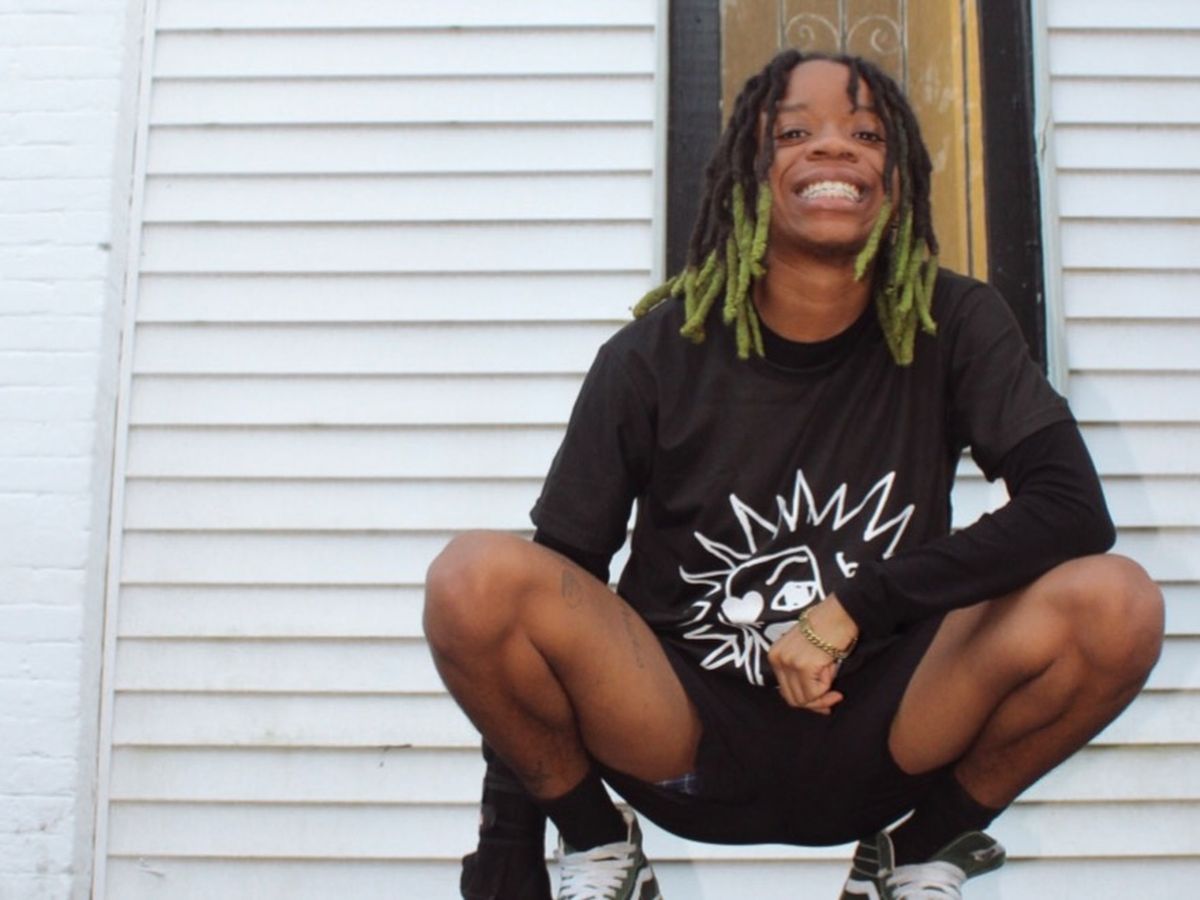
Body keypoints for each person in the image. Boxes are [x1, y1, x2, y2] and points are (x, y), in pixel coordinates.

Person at [424, 50, 1164, 900]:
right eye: (793, 133)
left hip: (887, 728)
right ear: (747, 174)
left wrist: (854, 608)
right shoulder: (652, 356)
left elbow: (1071, 508)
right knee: (475, 579)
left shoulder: (953, 321)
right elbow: (560, 579)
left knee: (1117, 603)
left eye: (866, 134)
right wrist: (509, 837)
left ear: (897, 182)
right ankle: (598, 844)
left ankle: (918, 849)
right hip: (681, 734)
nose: (834, 147)